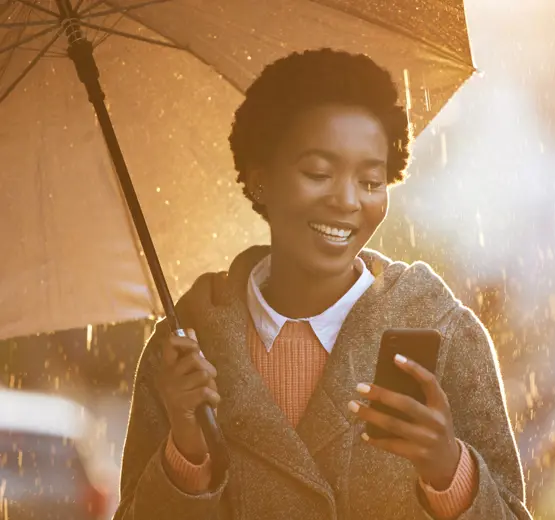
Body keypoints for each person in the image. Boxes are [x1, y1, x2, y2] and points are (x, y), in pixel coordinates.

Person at [113, 48, 533, 520]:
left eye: (371, 181)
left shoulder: (444, 336)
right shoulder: (186, 348)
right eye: (318, 173)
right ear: (259, 181)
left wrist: (448, 471)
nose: (347, 200)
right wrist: (187, 455)